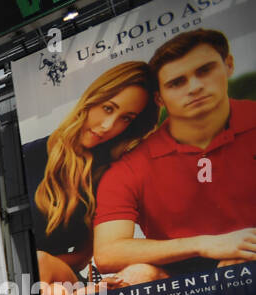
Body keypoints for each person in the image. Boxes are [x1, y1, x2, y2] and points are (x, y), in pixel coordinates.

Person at [94, 29, 256, 279]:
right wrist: (205, 244)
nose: (195, 87)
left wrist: (245, 251)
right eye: (177, 82)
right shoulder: (131, 167)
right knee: (136, 275)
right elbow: (107, 253)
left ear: (228, 65)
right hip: (182, 282)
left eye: (204, 70)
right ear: (159, 97)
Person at [29, 62, 157, 295]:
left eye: (126, 118)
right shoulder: (26, 157)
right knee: (46, 284)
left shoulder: (109, 173)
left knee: (41, 266)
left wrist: (42, 265)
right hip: (29, 285)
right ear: (91, 100)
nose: (109, 127)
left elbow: (84, 255)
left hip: (57, 276)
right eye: (108, 108)